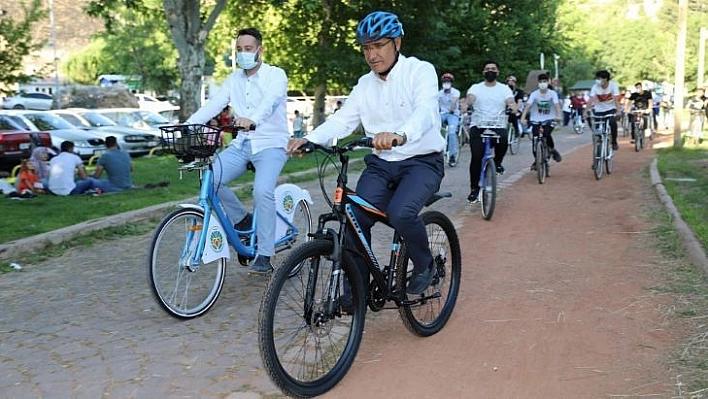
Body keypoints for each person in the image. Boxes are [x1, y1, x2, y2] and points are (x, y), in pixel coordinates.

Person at [287, 11, 445, 296]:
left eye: (379, 45)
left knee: (401, 213)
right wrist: (309, 139)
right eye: (366, 48)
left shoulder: (420, 71)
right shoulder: (364, 84)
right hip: (382, 165)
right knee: (354, 217)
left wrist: (401, 134)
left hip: (422, 162)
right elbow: (342, 120)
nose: (372, 54)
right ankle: (355, 289)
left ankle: (425, 265)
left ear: (396, 43)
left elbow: (426, 112)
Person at [185, 27, 289, 275]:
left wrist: (252, 119)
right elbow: (214, 105)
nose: (243, 54)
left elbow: (269, 103)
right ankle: (242, 219)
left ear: (259, 50)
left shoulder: (276, 75)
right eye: (239, 50)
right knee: (210, 180)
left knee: (262, 190)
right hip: (242, 144)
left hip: (271, 143)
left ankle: (265, 254)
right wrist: (187, 125)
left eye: (248, 49)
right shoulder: (233, 80)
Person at [462, 60, 517, 203]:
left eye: (493, 68)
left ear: (498, 72)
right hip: (478, 125)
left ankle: (497, 163)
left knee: (504, 140)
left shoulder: (504, 88)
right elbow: (471, 97)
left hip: (497, 124)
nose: (490, 71)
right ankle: (474, 189)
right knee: (476, 157)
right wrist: (467, 104)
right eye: (487, 69)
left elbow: (510, 100)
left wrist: (512, 106)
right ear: (483, 72)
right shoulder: (476, 87)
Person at [520, 73, 563, 170]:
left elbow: (556, 105)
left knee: (546, 135)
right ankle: (537, 160)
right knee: (535, 140)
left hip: (550, 118)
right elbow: (528, 106)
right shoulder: (534, 94)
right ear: (538, 83)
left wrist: (558, 116)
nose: (542, 83)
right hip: (536, 119)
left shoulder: (552, 93)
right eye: (540, 82)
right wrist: (523, 118)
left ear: (548, 82)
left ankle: (552, 150)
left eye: (544, 81)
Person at [585, 69, 621, 151]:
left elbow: (616, 99)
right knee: (597, 130)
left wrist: (618, 111)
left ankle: (614, 141)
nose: (598, 80)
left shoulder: (613, 86)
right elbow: (591, 99)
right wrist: (585, 111)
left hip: (611, 109)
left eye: (600, 78)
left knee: (612, 122)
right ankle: (597, 159)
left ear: (605, 79)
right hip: (599, 110)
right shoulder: (595, 87)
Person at [438, 72, 460, 166]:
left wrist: (452, 108)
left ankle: (452, 155)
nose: (446, 82)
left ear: (451, 82)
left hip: (453, 114)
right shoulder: (439, 93)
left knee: (451, 132)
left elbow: (454, 101)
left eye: (448, 81)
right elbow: (436, 103)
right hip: (442, 114)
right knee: (433, 127)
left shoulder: (455, 92)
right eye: (445, 81)